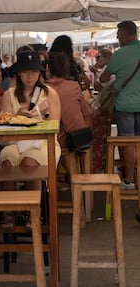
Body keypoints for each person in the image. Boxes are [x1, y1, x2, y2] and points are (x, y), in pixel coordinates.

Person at [0, 50, 61, 229]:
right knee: (7, 160)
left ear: (40, 73)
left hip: (44, 143)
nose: (30, 76)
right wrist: (15, 116)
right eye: (26, 71)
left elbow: (55, 125)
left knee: (29, 162)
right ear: (18, 73)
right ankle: (8, 210)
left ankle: (34, 210)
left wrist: (44, 114)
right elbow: (4, 125)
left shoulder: (49, 93)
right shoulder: (9, 95)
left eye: (33, 71)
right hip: (15, 142)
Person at [100, 21, 140, 190]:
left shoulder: (120, 54)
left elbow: (103, 78)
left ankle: (129, 180)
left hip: (125, 104)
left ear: (124, 34)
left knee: (128, 142)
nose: (117, 37)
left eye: (118, 34)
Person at [45, 51, 92, 173]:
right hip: (78, 137)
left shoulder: (42, 89)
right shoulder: (74, 86)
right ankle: (80, 176)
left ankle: (71, 175)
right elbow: (86, 111)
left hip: (55, 140)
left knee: (56, 141)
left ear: (47, 68)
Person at [90, 48, 114, 173]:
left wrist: (95, 73)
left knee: (97, 137)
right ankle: (103, 163)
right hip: (109, 107)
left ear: (107, 58)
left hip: (104, 107)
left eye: (99, 57)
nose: (97, 60)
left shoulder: (108, 70)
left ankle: (97, 165)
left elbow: (98, 86)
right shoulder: (110, 69)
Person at [49, 35, 91, 100]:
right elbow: (86, 82)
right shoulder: (74, 66)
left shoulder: (48, 63)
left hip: (49, 97)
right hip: (72, 98)